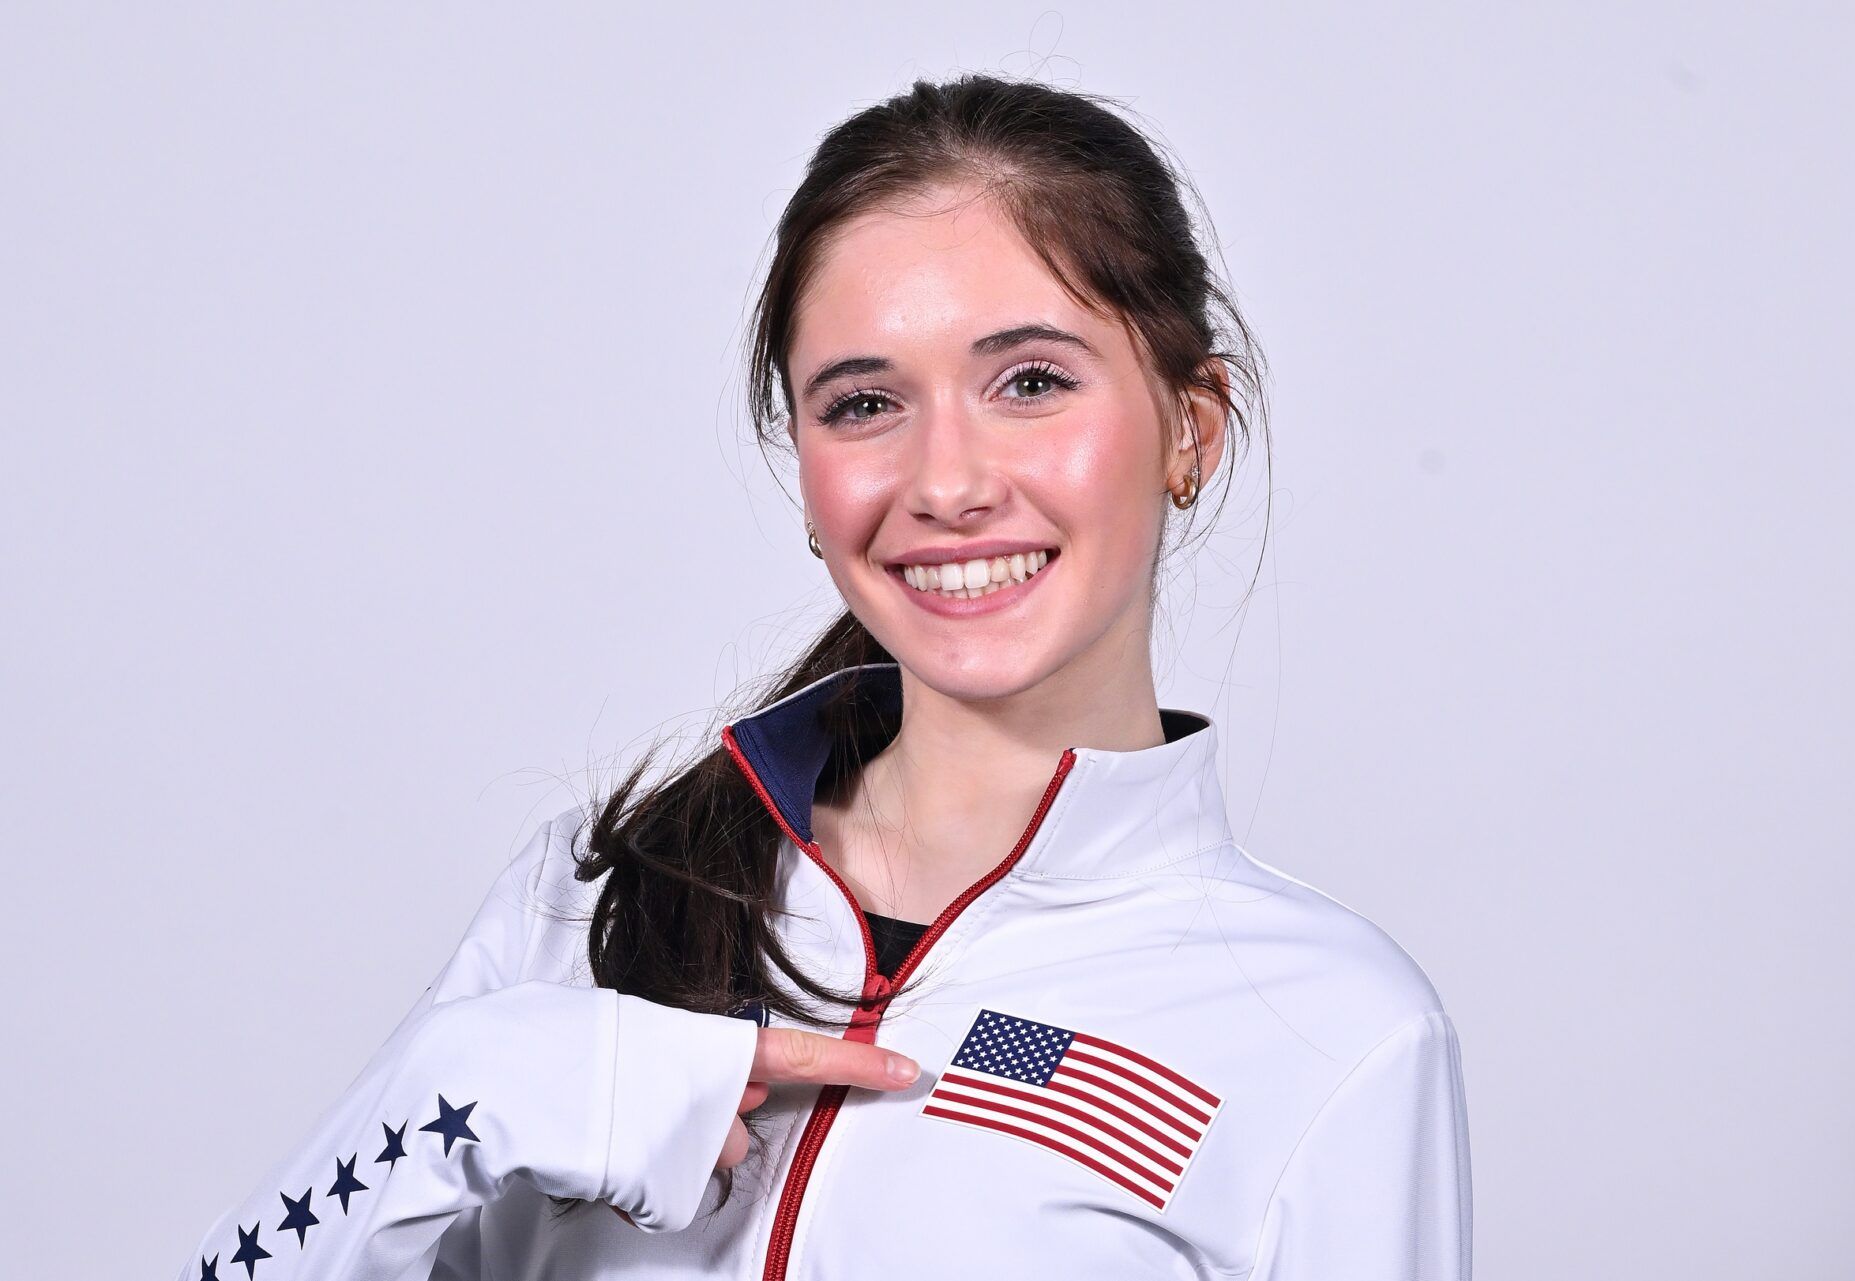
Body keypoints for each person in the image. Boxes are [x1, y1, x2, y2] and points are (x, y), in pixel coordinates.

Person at [173, 72, 1471, 1281]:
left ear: (1191, 423)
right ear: (804, 464)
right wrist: (463, 1081)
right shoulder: (598, 898)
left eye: (1029, 381)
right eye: (864, 403)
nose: (948, 482)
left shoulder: (1330, 1035)